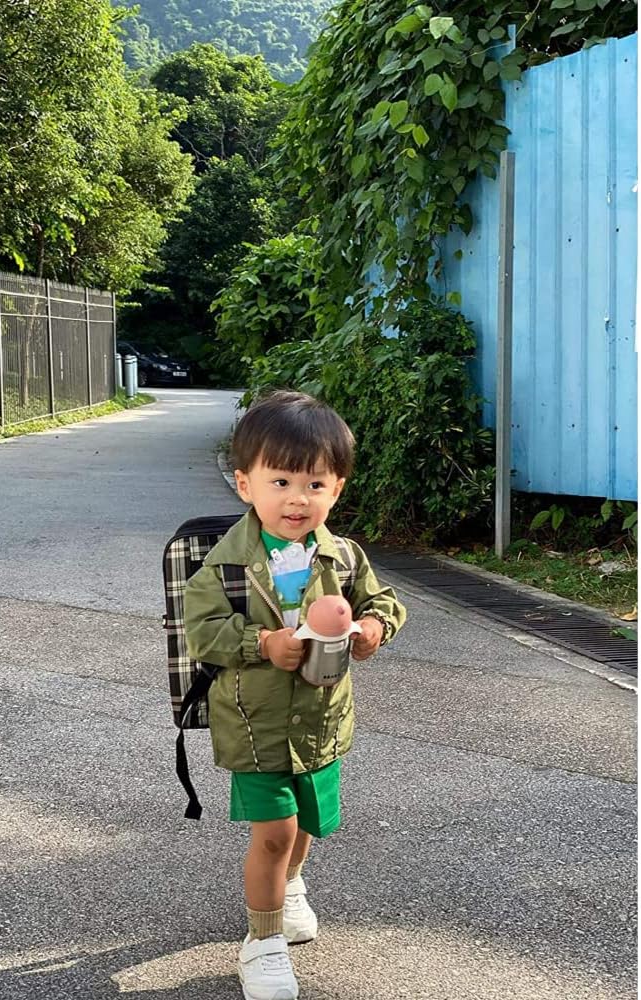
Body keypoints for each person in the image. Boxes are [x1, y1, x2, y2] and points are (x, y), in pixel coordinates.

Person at [184, 391, 406, 1000]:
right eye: (279, 480)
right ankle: (262, 942)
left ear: (336, 490)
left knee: (307, 822)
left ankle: (293, 886)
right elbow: (200, 630)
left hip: (320, 720)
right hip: (255, 724)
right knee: (275, 831)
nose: (297, 498)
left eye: (315, 484)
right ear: (244, 484)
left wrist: (372, 628)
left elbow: (385, 601)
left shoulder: (342, 556)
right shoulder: (225, 565)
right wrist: (261, 644)